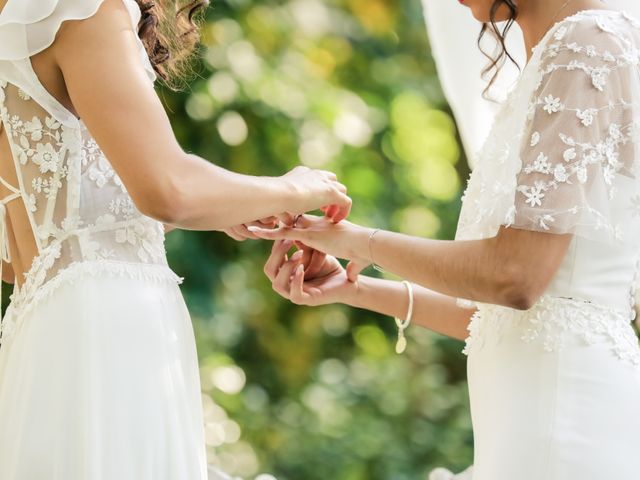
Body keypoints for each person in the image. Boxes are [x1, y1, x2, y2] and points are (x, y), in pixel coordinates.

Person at [252, 1, 640, 478]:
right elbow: (503, 315)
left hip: (564, 419)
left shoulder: (587, 44)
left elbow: (515, 277)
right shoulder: (569, 51)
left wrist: (353, 241)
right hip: (532, 415)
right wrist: (356, 287)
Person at [0, 0, 351, 478]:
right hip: (108, 327)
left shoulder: (17, 22)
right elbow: (168, 188)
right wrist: (299, 186)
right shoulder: (83, 8)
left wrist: (231, 201)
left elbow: (46, 226)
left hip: (38, 327)